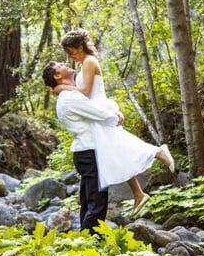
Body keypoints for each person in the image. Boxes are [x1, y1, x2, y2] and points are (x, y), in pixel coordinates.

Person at [51, 29, 175, 216]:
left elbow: (84, 91)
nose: (71, 57)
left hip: (99, 110)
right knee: (117, 152)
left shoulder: (90, 61)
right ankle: (138, 193)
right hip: (95, 111)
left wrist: (60, 87)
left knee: (120, 146)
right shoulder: (84, 63)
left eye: (73, 52)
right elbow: (81, 93)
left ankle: (158, 152)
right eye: (68, 54)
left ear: (80, 46)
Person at [42, 62, 122, 232]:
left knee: (89, 201)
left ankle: (85, 240)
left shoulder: (69, 94)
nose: (66, 63)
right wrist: (116, 116)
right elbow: (99, 113)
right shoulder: (70, 97)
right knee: (97, 202)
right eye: (61, 65)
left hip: (85, 152)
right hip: (89, 152)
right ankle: (90, 244)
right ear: (57, 76)